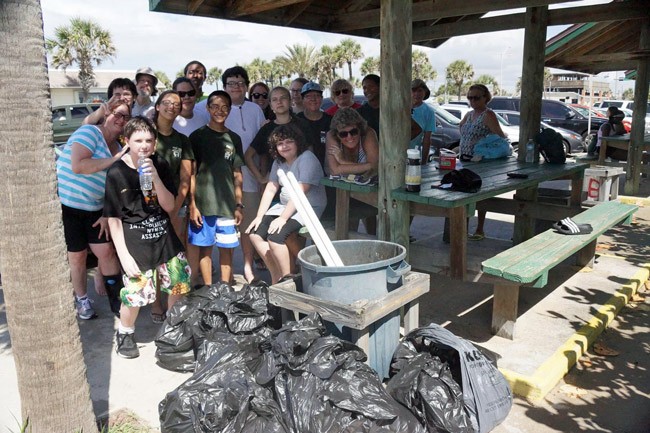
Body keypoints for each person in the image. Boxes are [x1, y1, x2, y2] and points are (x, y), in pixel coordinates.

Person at [104, 116, 191, 359]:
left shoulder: (159, 164)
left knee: (178, 283)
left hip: (164, 237)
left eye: (149, 140)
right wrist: (123, 255)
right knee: (135, 295)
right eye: (138, 140)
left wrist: (154, 176)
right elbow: (114, 219)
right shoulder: (116, 173)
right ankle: (125, 332)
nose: (144, 145)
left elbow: (170, 204)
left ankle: (172, 328)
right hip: (134, 242)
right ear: (127, 141)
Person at [56, 98, 131, 319]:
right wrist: (115, 159)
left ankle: (116, 299)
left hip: (96, 209)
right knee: (77, 256)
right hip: (69, 205)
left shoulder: (119, 146)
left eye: (126, 117)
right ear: (106, 114)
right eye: (117, 114)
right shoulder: (90, 133)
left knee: (106, 252)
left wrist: (108, 212)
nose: (120, 119)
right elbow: (79, 165)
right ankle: (82, 300)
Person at [246, 123, 326, 283]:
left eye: (289, 141)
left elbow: (300, 192)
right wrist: (259, 216)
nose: (284, 146)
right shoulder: (278, 162)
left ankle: (287, 277)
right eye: (280, 143)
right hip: (284, 206)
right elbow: (270, 188)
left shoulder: (307, 159)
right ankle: (277, 276)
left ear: (297, 142)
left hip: (307, 207)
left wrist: (282, 218)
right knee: (255, 233)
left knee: (276, 237)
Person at [186, 90, 244, 287]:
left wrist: (238, 204)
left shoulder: (234, 139)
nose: (220, 111)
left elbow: (237, 173)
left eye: (225, 107)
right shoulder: (197, 137)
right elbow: (190, 174)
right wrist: (192, 205)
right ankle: (210, 290)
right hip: (203, 205)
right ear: (208, 108)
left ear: (230, 110)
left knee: (227, 248)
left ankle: (224, 289)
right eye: (215, 106)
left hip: (227, 205)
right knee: (205, 249)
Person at [222, 66, 266, 283]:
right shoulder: (212, 108)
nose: (236, 87)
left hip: (251, 176)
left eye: (241, 83)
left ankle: (248, 266)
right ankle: (226, 272)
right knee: (226, 225)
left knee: (248, 224)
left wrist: (262, 176)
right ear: (224, 87)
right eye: (231, 83)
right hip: (222, 178)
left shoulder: (255, 110)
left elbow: (262, 145)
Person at [459, 84, 507, 241]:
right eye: (470, 97)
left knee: (480, 195)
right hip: (465, 159)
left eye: (476, 97)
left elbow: (500, 136)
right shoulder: (468, 114)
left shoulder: (488, 115)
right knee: (463, 193)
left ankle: (480, 228)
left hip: (481, 161)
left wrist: (484, 142)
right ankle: (463, 227)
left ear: (486, 98)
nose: (472, 101)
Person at [326, 107, 379, 235]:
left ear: (360, 129)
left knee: (372, 212)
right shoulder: (331, 136)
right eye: (343, 134)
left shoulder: (368, 134)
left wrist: (343, 162)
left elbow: (375, 166)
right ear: (337, 134)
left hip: (368, 189)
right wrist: (367, 166)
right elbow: (335, 170)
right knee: (346, 219)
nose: (349, 137)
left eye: (353, 131)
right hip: (341, 190)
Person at [296, 81, 331, 169]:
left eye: (317, 96)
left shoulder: (331, 120)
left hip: (327, 168)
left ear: (322, 98)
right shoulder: (295, 121)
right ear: (302, 99)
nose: (313, 99)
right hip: (303, 168)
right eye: (308, 96)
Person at [410, 79, 436, 164]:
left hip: (414, 154)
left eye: (420, 91)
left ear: (425, 92)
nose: (416, 94)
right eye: (413, 91)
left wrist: (424, 161)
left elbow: (427, 139)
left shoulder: (429, 112)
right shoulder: (400, 107)